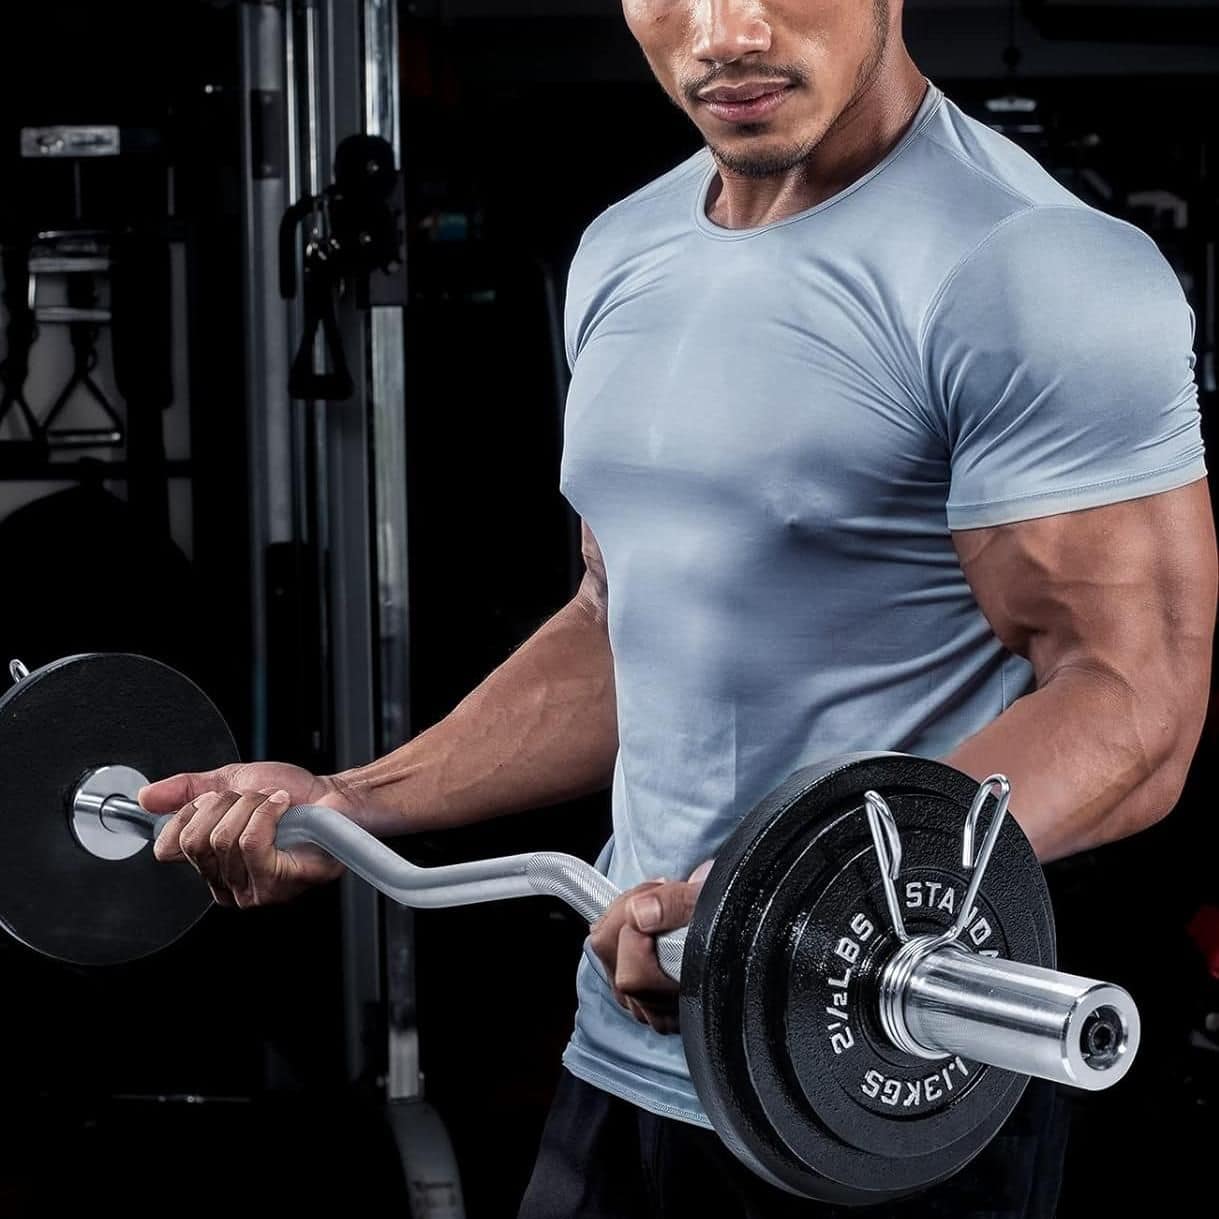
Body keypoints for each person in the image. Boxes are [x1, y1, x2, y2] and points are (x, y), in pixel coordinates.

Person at [142, 1, 1217, 1215]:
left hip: (882, 1087)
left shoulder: (1031, 263)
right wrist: (349, 805)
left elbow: (1134, 709)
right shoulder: (623, 246)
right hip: (627, 1058)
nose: (725, 31)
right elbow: (617, 622)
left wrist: (777, 901)